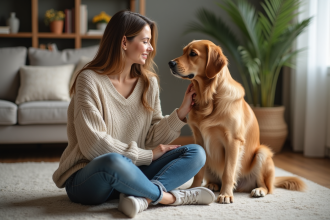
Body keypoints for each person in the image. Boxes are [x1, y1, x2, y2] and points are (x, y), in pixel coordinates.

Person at [52, 10, 215, 218]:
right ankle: (169, 197)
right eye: (145, 41)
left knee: (196, 153)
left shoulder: (149, 83)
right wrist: (148, 155)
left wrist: (181, 112)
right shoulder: (89, 79)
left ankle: (142, 198)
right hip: (90, 179)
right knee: (113, 161)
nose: (151, 48)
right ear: (124, 42)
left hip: (132, 173)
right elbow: (93, 145)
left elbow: (151, 138)